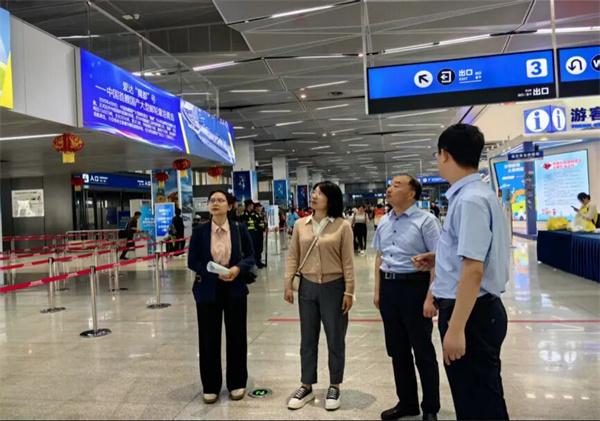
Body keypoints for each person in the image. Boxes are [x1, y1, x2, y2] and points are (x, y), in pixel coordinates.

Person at [413, 124, 510, 420]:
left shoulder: (469, 200)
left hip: (471, 315)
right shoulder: (477, 194)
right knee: (481, 397)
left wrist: (456, 329)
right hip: (477, 311)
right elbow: (476, 255)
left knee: (477, 404)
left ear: (444, 154)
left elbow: (473, 270)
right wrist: (440, 257)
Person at [373, 174, 441, 421]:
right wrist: (378, 291)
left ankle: (430, 407)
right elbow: (380, 257)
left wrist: (430, 298)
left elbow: (438, 260)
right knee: (398, 351)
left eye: (397, 185)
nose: (389, 189)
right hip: (389, 290)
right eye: (389, 185)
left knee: (423, 351)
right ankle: (407, 403)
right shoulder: (384, 220)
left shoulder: (426, 221)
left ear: (412, 193)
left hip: (415, 288)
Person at [284, 181, 355, 412]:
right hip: (307, 287)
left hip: (334, 287)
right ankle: (306, 385)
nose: (314, 196)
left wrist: (349, 290)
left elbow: (348, 261)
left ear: (331, 199)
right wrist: (288, 284)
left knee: (335, 338)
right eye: (314, 192)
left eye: (320, 193)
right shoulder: (300, 224)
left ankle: (334, 385)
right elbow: (293, 256)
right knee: (307, 338)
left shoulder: (342, 226)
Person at [187, 190, 255, 405]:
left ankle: (237, 382)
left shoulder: (239, 229)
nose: (215, 203)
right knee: (208, 338)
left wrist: (237, 268)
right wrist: (214, 272)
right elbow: (193, 261)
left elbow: (251, 257)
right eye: (212, 201)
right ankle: (210, 385)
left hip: (235, 288)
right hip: (207, 290)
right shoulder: (199, 232)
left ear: (229, 206)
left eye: (220, 200)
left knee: (237, 337)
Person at [253, 203, 267, 268]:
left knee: (260, 248)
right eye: (259, 207)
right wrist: (262, 228)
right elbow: (255, 225)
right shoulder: (254, 215)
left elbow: (262, 223)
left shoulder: (259, 215)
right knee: (257, 248)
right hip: (256, 234)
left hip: (260, 233)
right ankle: (257, 262)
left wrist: (265, 227)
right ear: (256, 207)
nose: (260, 208)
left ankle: (259, 261)